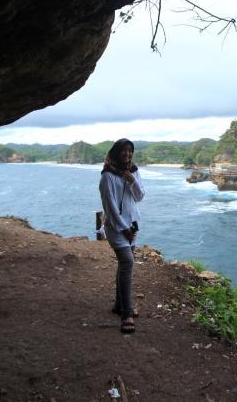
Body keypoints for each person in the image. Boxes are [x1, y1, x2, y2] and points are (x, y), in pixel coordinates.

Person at [99, 138, 145, 333]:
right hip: (117, 228)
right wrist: (123, 229)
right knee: (127, 262)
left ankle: (119, 305)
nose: (127, 155)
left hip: (133, 226)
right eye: (124, 151)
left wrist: (132, 181)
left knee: (124, 264)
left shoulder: (133, 171)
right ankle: (126, 313)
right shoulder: (107, 176)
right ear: (116, 152)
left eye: (130, 151)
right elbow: (109, 207)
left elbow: (140, 196)